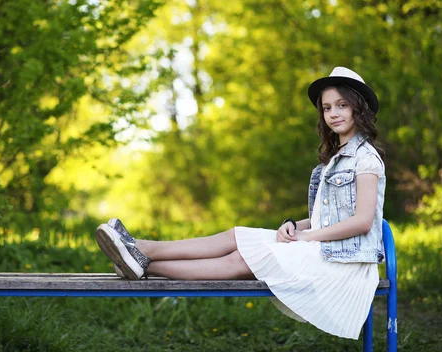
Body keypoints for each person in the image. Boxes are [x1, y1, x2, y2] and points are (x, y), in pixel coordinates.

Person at [95, 66, 386, 339]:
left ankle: (145, 264)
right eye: (326, 107)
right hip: (322, 248)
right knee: (236, 235)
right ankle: (142, 248)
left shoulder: (365, 158)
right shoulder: (333, 160)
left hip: (344, 264)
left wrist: (307, 236)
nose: (333, 113)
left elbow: (362, 221)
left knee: (240, 259)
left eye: (341, 105)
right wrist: (293, 226)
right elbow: (327, 218)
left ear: (358, 108)